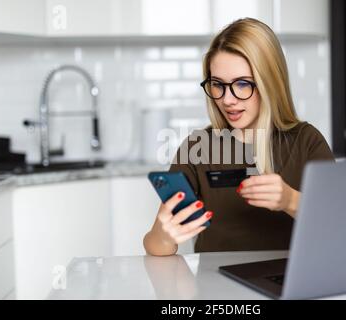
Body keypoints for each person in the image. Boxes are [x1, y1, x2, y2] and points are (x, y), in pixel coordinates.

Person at [143, 18, 334, 256]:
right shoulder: (198, 148)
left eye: (242, 84)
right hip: (217, 287)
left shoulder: (306, 141)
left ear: (270, 83)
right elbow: (155, 244)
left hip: (291, 285)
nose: (227, 99)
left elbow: (338, 226)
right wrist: (163, 236)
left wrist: (290, 200)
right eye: (218, 84)